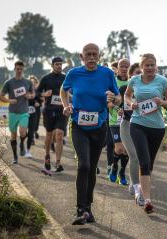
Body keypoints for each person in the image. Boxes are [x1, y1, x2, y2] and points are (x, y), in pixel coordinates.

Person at [60, 43, 121, 225]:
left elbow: (118, 99)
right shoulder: (73, 74)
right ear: (82, 56)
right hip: (78, 125)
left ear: (99, 56)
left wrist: (113, 98)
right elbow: (63, 90)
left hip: (99, 126)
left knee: (92, 167)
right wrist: (66, 105)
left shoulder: (107, 74)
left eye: (95, 54)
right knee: (84, 165)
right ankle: (80, 209)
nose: (92, 57)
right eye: (88, 54)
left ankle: (88, 208)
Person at [124, 53, 167, 214]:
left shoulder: (162, 81)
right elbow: (127, 95)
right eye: (147, 65)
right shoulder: (134, 80)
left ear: (156, 66)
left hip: (157, 128)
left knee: (149, 163)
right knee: (143, 161)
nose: (150, 68)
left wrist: (162, 102)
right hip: (137, 124)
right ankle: (147, 200)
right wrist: (131, 104)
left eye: (153, 65)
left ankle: (142, 189)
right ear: (142, 66)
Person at [0, 61, 33, 164]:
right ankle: (15, 157)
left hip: (24, 111)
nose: (19, 71)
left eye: (21, 69)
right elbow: (0, 97)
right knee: (13, 135)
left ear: (23, 70)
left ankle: (22, 144)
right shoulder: (9, 82)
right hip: (13, 112)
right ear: (14, 69)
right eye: (17, 69)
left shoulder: (27, 82)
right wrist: (9, 101)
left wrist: (30, 96)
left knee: (22, 132)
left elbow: (33, 94)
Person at [38, 57, 67, 174]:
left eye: (60, 64)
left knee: (59, 135)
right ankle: (47, 155)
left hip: (61, 111)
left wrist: (69, 97)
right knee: (49, 135)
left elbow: (72, 90)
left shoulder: (65, 78)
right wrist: (44, 94)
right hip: (49, 111)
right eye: (57, 64)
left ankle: (58, 162)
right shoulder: (46, 78)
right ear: (52, 65)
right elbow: (37, 92)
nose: (59, 66)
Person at [120, 62, 143, 201]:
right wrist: (116, 105)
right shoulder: (124, 88)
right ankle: (136, 187)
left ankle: (135, 180)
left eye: (141, 73)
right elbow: (116, 102)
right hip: (127, 125)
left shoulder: (148, 89)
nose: (139, 76)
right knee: (134, 156)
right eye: (136, 73)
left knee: (142, 158)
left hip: (142, 127)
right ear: (130, 76)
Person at [107, 58, 130, 186]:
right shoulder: (113, 82)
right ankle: (114, 166)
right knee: (119, 148)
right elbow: (109, 101)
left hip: (129, 120)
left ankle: (122, 172)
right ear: (118, 67)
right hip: (115, 119)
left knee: (126, 150)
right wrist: (115, 107)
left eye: (127, 67)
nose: (124, 69)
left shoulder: (133, 82)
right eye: (122, 66)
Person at [25, 76, 43, 157]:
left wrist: (38, 103)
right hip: (24, 114)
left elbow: (40, 101)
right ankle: (24, 141)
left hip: (35, 113)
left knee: (32, 130)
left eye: (34, 83)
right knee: (24, 133)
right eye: (31, 83)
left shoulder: (37, 92)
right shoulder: (25, 91)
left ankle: (28, 150)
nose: (32, 84)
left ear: (36, 83)